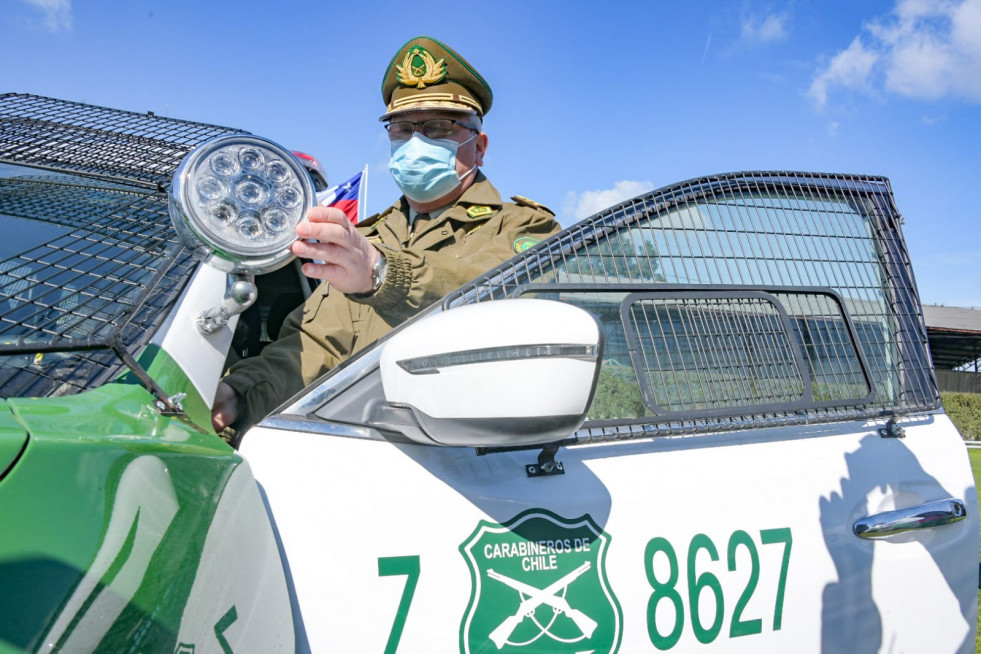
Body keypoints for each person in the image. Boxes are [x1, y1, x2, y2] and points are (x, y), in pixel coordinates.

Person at [212, 36, 562, 433]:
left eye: (438, 127)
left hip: (467, 462)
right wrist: (239, 396)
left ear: (478, 147)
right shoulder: (369, 236)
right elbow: (316, 343)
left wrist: (382, 273)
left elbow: (496, 295)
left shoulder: (525, 227)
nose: (416, 141)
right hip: (345, 452)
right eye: (402, 128)